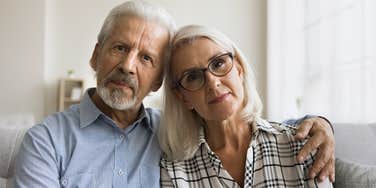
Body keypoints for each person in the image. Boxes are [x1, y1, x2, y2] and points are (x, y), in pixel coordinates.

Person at [13, 1, 333, 187]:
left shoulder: (172, 134)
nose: (127, 66)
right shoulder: (47, 141)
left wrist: (318, 123)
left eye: (146, 58)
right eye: (120, 48)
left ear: (157, 82)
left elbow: (241, 125)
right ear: (96, 56)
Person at [159, 25, 333, 187]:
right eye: (193, 77)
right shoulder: (174, 173)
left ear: (239, 70)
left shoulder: (302, 146)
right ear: (183, 97)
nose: (212, 83)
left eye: (218, 63)